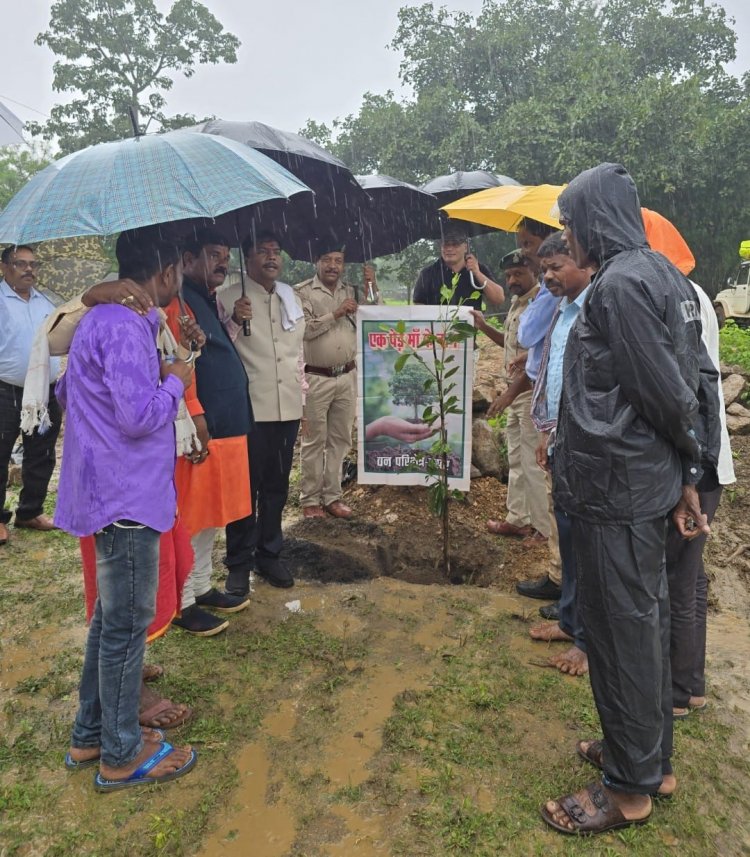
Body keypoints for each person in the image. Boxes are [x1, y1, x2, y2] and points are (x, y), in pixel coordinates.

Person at [541, 163, 719, 835]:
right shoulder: (665, 276)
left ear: (594, 220)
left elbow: (666, 391)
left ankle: (628, 790)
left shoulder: (619, 286)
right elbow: (699, 379)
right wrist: (688, 476)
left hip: (615, 489)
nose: (567, 236)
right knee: (643, 624)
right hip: (640, 484)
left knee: (622, 636)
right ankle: (647, 761)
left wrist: (690, 467)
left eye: (570, 223)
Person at [56, 230, 197, 791]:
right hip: (126, 495)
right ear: (164, 273)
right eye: (179, 268)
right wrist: (174, 382)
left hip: (106, 488)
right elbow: (139, 418)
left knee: (108, 620)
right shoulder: (121, 325)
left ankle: (90, 733)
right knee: (123, 626)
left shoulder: (106, 320)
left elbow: (68, 392)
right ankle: (120, 754)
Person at [170, 228, 254, 636]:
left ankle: (201, 586)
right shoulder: (177, 300)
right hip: (204, 427)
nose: (223, 262)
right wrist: (194, 415)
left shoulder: (205, 298)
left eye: (225, 255)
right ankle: (182, 600)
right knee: (193, 515)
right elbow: (178, 364)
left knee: (212, 513)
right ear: (187, 260)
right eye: (213, 255)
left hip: (227, 424)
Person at [218, 231, 306, 592]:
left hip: (288, 406)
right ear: (247, 258)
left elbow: (296, 351)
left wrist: (302, 393)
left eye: (276, 251)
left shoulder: (290, 297)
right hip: (250, 408)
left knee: (276, 486)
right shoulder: (227, 297)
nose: (272, 257)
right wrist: (234, 320)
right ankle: (239, 561)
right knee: (244, 487)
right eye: (263, 251)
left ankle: (269, 553)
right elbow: (216, 350)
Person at [667, 279, 735, 718]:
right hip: (711, 459)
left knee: (678, 578)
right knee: (690, 578)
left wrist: (688, 471)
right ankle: (691, 685)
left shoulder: (671, 293)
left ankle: (677, 691)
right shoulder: (693, 293)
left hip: (696, 463)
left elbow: (687, 388)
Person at [527, 232, 594, 677]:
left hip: (588, 447)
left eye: (556, 267)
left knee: (588, 546)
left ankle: (589, 641)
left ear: (584, 261)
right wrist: (547, 432)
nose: (547, 276)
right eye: (544, 269)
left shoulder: (597, 309)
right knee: (569, 538)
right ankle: (570, 621)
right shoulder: (564, 309)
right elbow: (555, 376)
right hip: (561, 439)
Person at [471, 250, 550, 546]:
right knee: (516, 459)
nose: (512, 280)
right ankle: (518, 519)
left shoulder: (542, 304)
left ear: (534, 272)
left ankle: (543, 528)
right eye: (508, 276)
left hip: (530, 394)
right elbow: (509, 345)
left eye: (518, 274)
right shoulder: (517, 304)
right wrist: (483, 326)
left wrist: (509, 393)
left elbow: (540, 355)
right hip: (515, 394)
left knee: (533, 462)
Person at [296, 241, 379, 519]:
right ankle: (310, 499)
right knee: (313, 441)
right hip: (316, 378)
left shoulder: (352, 290)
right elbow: (304, 331)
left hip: (347, 376)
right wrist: (337, 313)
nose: (333, 266)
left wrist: (371, 285)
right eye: (327, 260)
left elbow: (375, 312)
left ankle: (333, 496)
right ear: (316, 262)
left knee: (340, 439)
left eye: (338, 260)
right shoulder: (302, 292)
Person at [0, 245, 61, 544]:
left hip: (44, 391)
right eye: (20, 263)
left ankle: (30, 511)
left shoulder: (45, 302)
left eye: (33, 264)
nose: (28, 269)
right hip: (6, 390)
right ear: (3, 267)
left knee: (42, 453)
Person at [413, 226, 504, 308]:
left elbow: (499, 299)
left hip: (470, 322)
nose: (449, 248)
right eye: (446, 244)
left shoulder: (478, 269)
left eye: (455, 244)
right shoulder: (427, 274)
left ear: (465, 247)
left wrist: (477, 273)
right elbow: (418, 305)